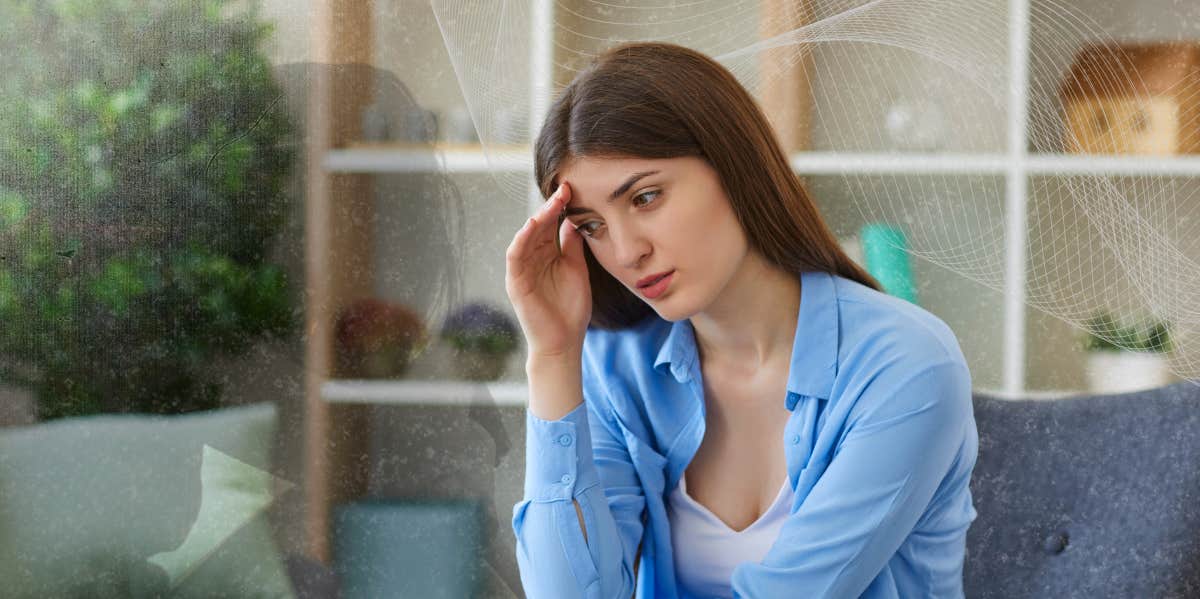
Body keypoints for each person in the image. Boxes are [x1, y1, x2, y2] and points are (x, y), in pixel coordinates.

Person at [505, 40, 978, 599]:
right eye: (590, 226)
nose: (627, 251)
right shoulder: (617, 365)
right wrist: (553, 357)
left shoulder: (906, 365)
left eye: (646, 197)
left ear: (732, 165)